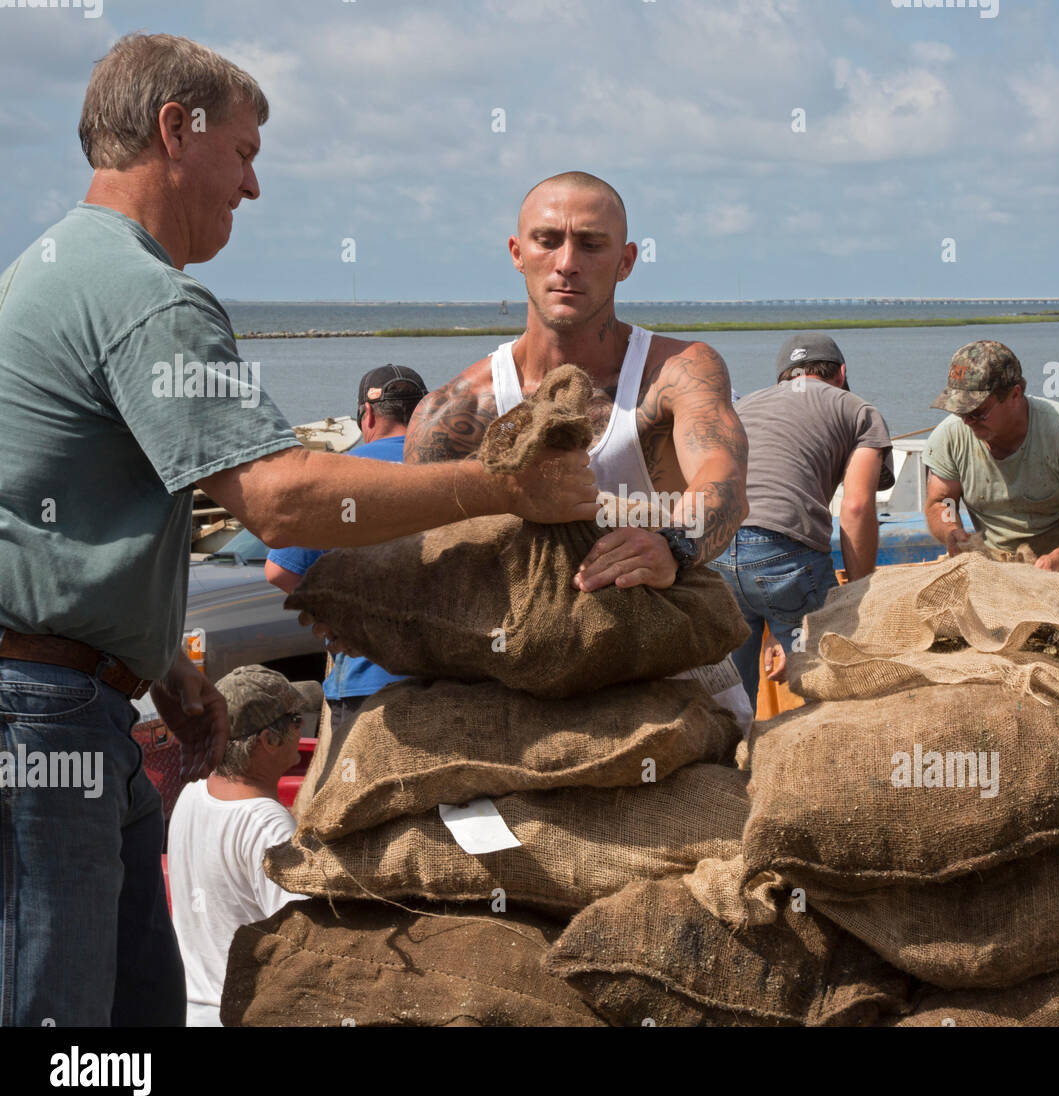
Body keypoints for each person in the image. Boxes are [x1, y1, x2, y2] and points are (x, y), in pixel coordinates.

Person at [0, 34, 595, 1028]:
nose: (254, 187)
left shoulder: (48, 272)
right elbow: (281, 501)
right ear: (174, 131)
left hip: (79, 703)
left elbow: (50, 508)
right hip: (45, 718)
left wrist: (160, 669)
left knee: (125, 1020)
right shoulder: (151, 299)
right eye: (243, 153)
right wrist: (503, 488)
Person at [404, 171, 749, 592]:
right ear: (517, 253)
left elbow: (724, 480)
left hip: (664, 644)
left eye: (591, 244)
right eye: (547, 241)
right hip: (511, 644)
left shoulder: (679, 372)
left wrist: (671, 547)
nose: (567, 264)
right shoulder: (455, 411)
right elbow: (419, 549)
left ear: (625, 262)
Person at [709, 333, 893, 707]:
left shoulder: (745, 407)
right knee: (828, 689)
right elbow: (857, 508)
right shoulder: (858, 411)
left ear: (783, 378)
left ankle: (730, 762)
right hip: (784, 557)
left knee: (731, 699)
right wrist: (858, 595)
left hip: (717, 548)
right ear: (841, 373)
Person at [265, 365, 427, 737]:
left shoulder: (337, 475)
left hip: (366, 684)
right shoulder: (457, 470)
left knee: (358, 793)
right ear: (425, 412)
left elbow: (279, 572)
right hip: (450, 680)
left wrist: (349, 621)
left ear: (366, 415)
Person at [167, 666, 316, 1026]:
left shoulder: (190, 794)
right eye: (296, 720)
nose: (302, 730)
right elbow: (303, 946)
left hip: (188, 1009)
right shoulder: (268, 825)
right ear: (268, 740)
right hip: (241, 1013)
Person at [923, 340, 1059, 589]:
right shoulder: (949, 436)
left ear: (1015, 395)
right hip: (1002, 584)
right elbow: (942, 501)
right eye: (960, 412)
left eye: (977, 412)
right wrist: (950, 529)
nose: (968, 421)